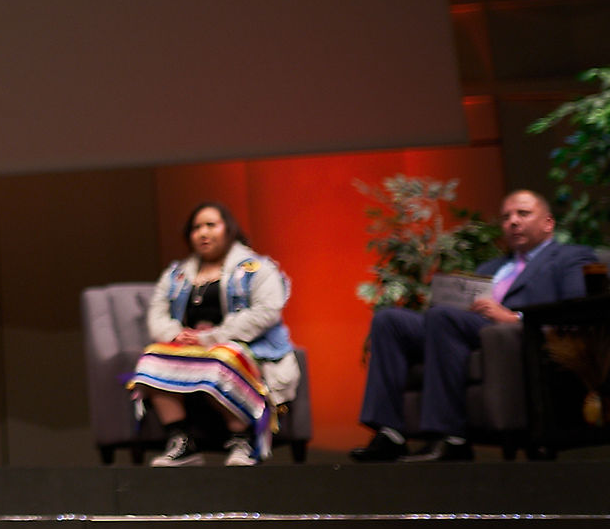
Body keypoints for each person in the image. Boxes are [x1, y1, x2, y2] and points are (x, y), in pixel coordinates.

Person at [351, 189, 596, 462]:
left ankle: (451, 437)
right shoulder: (490, 267)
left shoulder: (571, 258)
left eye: (523, 214)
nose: (513, 222)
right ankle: (390, 434)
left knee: (443, 318)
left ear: (548, 223)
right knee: (389, 320)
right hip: (463, 329)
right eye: (506, 217)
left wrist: (512, 317)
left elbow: (575, 311)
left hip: (513, 336)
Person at [129, 203, 298, 467]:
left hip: (246, 348)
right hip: (192, 346)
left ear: (228, 229)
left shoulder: (258, 268)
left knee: (219, 360)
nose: (203, 233)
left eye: (211, 225)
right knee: (151, 359)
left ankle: (242, 440)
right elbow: (157, 315)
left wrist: (213, 337)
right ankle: (181, 441)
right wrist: (176, 334)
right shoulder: (177, 274)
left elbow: (267, 312)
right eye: (196, 228)